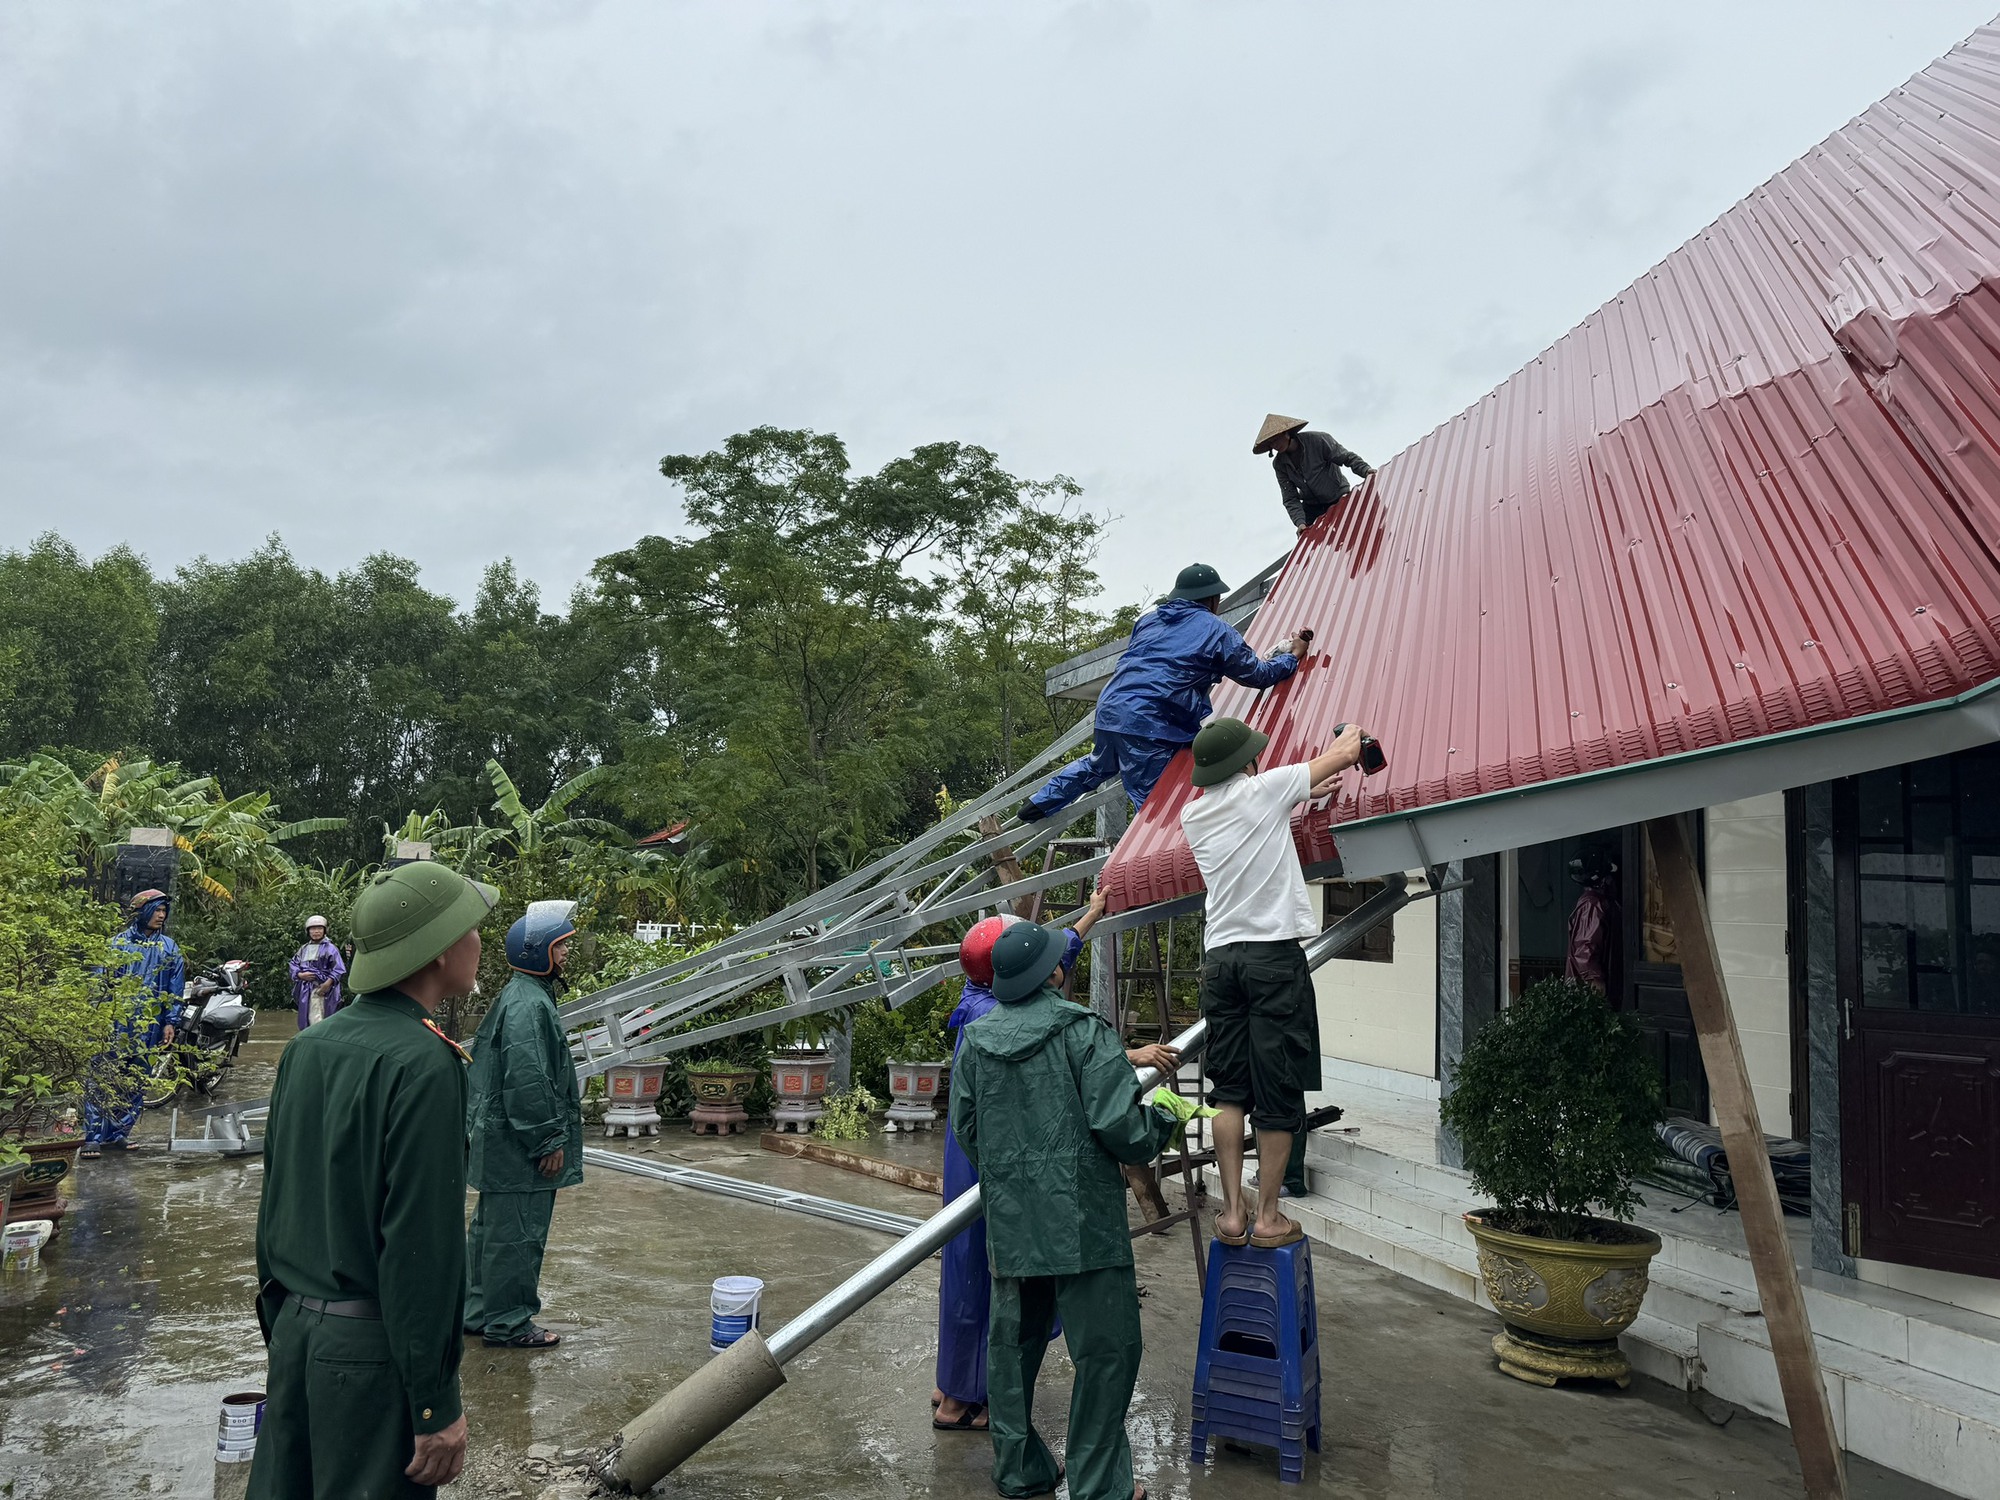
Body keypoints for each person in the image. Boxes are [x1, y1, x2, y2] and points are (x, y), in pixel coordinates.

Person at [249, 861, 498, 1500]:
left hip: (300, 1335)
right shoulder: (423, 1065)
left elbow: (273, 1207)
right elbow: (422, 1248)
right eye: (472, 929)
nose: (480, 942)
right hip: (370, 1355)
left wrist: (283, 1328)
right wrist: (433, 1403)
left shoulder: (310, 1048)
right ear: (440, 950)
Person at [949, 922, 1180, 1500]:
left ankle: (1020, 1471)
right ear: (1053, 974)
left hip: (1013, 1226)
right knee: (1106, 1353)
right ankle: (1100, 1486)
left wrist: (1012, 1176)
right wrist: (1165, 1119)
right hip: (1085, 1228)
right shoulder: (1085, 1033)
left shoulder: (975, 1042)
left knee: (1011, 1351)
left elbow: (968, 1130)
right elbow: (1121, 1130)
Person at [1181, 715, 1364, 1248]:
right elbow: (1348, 751)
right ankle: (1268, 1217)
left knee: (1228, 1090)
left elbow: (1262, 813)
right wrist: (1347, 733)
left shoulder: (1196, 815)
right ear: (1248, 762)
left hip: (1220, 960)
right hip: (1272, 961)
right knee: (1280, 1091)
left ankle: (1233, 1213)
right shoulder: (1267, 789)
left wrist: (1301, 791)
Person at [1018, 563, 1305, 826]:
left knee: (1097, 765)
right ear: (1213, 600)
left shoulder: (1148, 621)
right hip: (1151, 722)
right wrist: (1291, 657)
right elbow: (1257, 675)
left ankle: (1036, 806)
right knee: (1155, 809)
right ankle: (1155, 861)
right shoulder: (1216, 629)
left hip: (1111, 708)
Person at [464, 899, 585, 1350]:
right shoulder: (528, 1005)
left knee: (491, 1236)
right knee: (517, 1238)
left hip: (501, 1144)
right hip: (518, 1149)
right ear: (538, 951)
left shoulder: (522, 995)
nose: (567, 953)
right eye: (561, 946)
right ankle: (511, 1324)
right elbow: (528, 1079)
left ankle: (478, 1313)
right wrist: (548, 1139)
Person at [82, 889, 186, 1159]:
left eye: (164, 911)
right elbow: (99, 986)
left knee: (135, 1078)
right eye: (156, 910)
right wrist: (99, 1018)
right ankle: (93, 1137)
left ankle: (118, 1133)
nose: (161, 916)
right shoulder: (116, 945)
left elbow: (175, 990)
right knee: (102, 1077)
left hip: (149, 1026)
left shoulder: (169, 948)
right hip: (114, 1023)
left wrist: (170, 1022)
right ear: (140, 912)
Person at [1252, 414, 1373, 534]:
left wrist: (1366, 470)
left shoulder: (1317, 440)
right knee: (1309, 543)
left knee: (1355, 531)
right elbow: (1290, 497)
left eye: (1276, 439)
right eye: (1271, 443)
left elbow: (1346, 457)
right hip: (1312, 508)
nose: (1274, 445)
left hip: (1338, 497)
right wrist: (1300, 523)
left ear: (1286, 433)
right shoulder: (1279, 464)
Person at [288, 914, 348, 1029]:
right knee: (307, 1018)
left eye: (319, 928)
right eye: (313, 929)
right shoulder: (303, 949)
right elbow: (293, 964)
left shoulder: (331, 949)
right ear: (308, 931)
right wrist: (300, 974)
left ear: (324, 930)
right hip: (305, 989)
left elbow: (338, 969)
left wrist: (327, 984)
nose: (316, 932)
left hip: (323, 989)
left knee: (320, 1019)